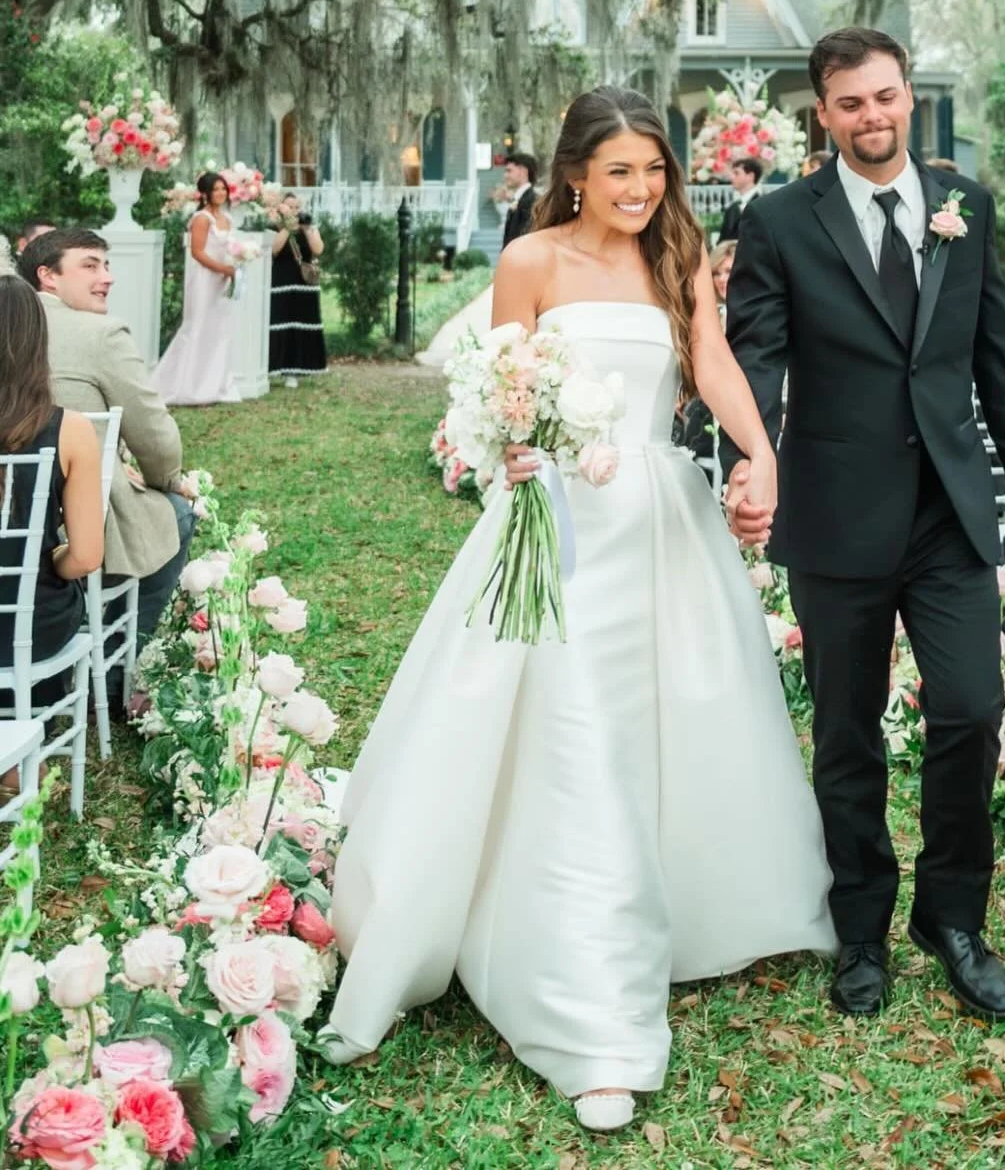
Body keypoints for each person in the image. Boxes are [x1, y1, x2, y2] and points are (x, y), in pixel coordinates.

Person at [327, 86, 835, 1132]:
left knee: (669, 712)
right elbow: (498, 386)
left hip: (656, 518)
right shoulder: (532, 260)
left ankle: (681, 900)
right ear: (575, 175)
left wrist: (760, 450)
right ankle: (588, 1007)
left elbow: (710, 358)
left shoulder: (678, 252)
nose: (643, 189)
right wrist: (511, 444)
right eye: (620, 172)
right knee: (571, 739)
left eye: (655, 170)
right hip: (553, 520)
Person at [723, 26, 1005, 1022]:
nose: (873, 116)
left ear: (911, 96)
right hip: (834, 512)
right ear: (822, 115)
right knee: (847, 732)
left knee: (970, 711)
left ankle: (952, 917)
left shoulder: (967, 207)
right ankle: (860, 923)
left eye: (886, 96)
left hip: (949, 513)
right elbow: (758, 356)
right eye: (851, 103)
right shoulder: (780, 217)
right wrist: (754, 455)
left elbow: (996, 343)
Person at [18, 228, 196, 658]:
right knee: (176, 514)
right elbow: (154, 435)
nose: (107, 276)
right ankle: (125, 661)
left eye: (107, 264)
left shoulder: (13, 328)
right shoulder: (101, 335)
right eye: (90, 264)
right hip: (77, 524)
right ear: (48, 276)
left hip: (13, 512)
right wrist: (164, 479)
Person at [0, 278, 105, 696]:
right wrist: (46, 556)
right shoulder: (71, 430)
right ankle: (26, 746)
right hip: (27, 624)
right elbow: (85, 556)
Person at [153, 173, 242, 407]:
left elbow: (231, 247)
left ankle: (211, 385)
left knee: (217, 330)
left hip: (222, 279)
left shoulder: (227, 219)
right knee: (197, 328)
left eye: (224, 188)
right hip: (204, 279)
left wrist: (237, 262)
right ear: (205, 193)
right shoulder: (201, 219)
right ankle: (183, 387)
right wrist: (223, 268)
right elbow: (198, 252)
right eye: (216, 189)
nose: (221, 193)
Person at [675, 240, 738, 459]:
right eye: (716, 273)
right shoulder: (710, 316)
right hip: (702, 402)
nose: (722, 279)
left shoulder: (751, 318)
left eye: (729, 271)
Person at [269, 197, 326, 389]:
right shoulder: (275, 226)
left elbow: (318, 249)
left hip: (304, 283)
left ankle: (298, 369)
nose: (294, 210)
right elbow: (274, 250)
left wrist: (307, 228)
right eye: (290, 207)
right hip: (282, 281)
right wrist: (287, 228)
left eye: (297, 207)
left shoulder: (308, 225)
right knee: (281, 323)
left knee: (302, 324)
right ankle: (278, 367)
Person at [717, 156, 766, 243]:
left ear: (750, 176)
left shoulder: (763, 204)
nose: (732, 177)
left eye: (737, 173)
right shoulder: (732, 208)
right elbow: (723, 239)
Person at [499, 153, 539, 250]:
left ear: (523, 172)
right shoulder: (519, 199)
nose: (505, 175)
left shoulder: (531, 201)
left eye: (509, 171)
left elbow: (524, 238)